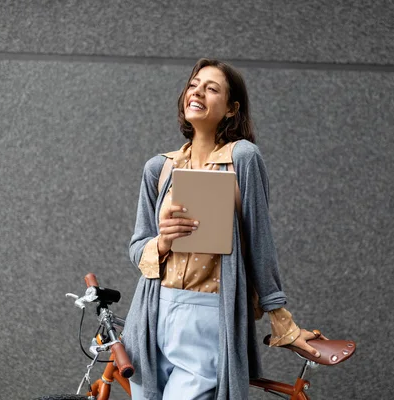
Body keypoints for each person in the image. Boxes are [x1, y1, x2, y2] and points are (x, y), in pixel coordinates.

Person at [122, 58, 327, 400]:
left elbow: (260, 242)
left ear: (232, 109)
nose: (198, 91)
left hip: (208, 315)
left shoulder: (243, 158)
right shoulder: (159, 167)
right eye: (193, 84)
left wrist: (281, 318)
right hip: (150, 313)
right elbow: (137, 246)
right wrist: (162, 242)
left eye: (211, 88)